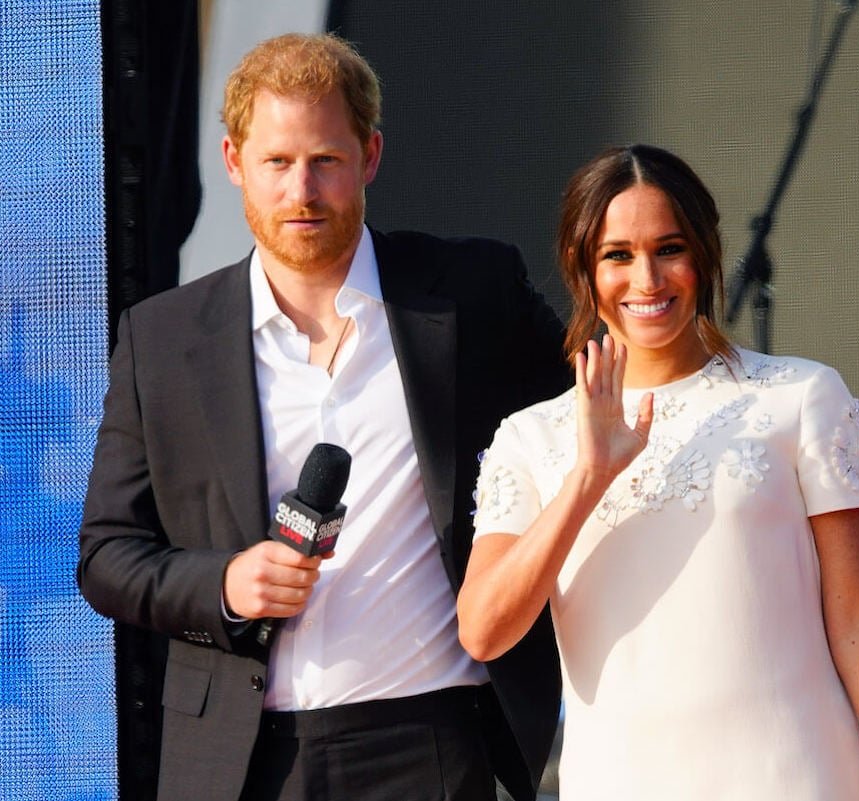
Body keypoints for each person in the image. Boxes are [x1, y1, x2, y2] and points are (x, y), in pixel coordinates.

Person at [77, 33, 570, 801]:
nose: (300, 190)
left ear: (370, 156)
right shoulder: (164, 339)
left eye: (325, 161)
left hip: (433, 740)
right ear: (235, 161)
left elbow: (593, 402)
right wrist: (228, 582)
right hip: (245, 761)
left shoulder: (470, 292)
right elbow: (107, 553)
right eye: (276, 162)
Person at [457, 144, 859, 801]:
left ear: (705, 253)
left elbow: (858, 618)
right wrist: (589, 475)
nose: (647, 279)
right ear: (582, 268)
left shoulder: (800, 397)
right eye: (617, 255)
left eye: (669, 247)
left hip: (798, 778)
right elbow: (484, 630)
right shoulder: (531, 435)